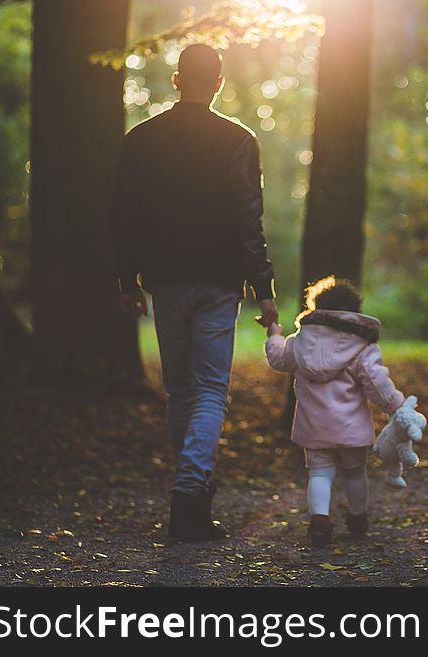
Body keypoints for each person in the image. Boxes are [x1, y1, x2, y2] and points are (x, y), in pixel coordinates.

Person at [111, 44, 278, 541]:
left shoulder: (141, 139)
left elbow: (124, 214)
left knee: (181, 390)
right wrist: (264, 287)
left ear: (177, 80)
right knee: (208, 390)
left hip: (164, 281)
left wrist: (127, 279)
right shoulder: (238, 140)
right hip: (219, 281)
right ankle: (189, 497)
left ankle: (192, 499)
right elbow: (249, 219)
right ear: (220, 82)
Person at [264, 276, 407, 546]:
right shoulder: (362, 345)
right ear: (355, 311)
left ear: (316, 307)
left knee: (319, 473)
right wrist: (395, 406)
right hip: (351, 429)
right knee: (354, 472)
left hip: (313, 425)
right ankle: (357, 518)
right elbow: (376, 382)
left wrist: (274, 336)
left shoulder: (301, 340)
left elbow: (279, 358)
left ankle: (319, 520)